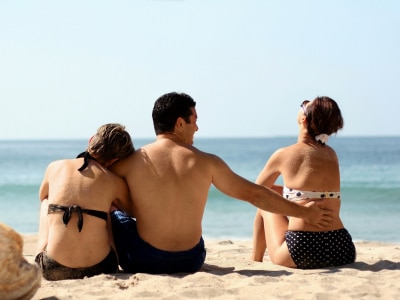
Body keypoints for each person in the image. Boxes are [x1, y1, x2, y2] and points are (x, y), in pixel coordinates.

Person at [110, 92, 334, 274]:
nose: (196, 128)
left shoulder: (132, 162)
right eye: (194, 120)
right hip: (191, 260)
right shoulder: (208, 162)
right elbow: (255, 194)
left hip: (145, 261)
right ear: (179, 123)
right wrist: (304, 213)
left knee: (114, 213)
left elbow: (96, 184)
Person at [251, 96, 356, 269]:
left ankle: (255, 260)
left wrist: (276, 193)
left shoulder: (284, 154)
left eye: (304, 105)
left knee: (263, 203)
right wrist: (285, 193)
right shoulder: (331, 154)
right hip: (342, 248)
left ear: (303, 119)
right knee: (270, 194)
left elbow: (256, 191)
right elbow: (307, 191)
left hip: (303, 248)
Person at [35, 123, 134, 280]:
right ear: (115, 160)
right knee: (110, 205)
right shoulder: (113, 181)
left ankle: (41, 249)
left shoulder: (54, 167)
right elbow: (131, 211)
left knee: (46, 202)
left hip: (53, 266)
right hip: (103, 266)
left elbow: (42, 195)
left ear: (91, 140)